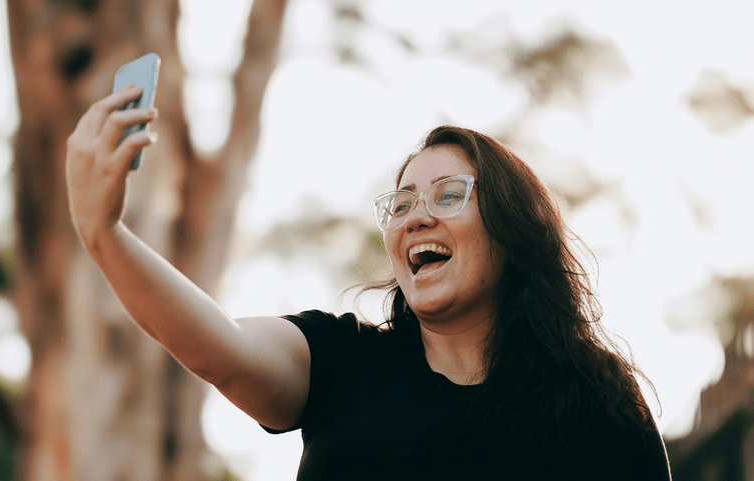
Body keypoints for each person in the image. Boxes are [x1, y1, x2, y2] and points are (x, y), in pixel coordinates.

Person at [66, 84, 671, 480]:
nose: (417, 216)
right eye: (402, 203)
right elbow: (219, 346)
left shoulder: (594, 400)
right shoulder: (343, 361)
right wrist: (106, 236)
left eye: (448, 195)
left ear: (513, 227)